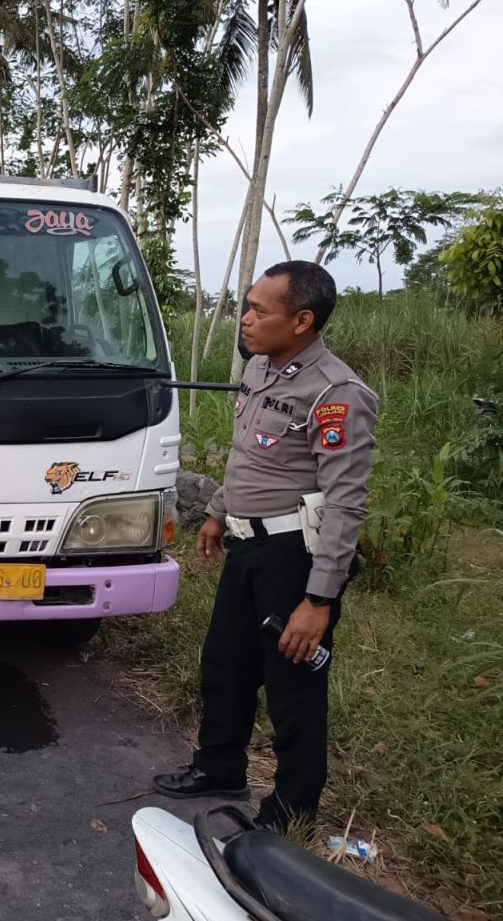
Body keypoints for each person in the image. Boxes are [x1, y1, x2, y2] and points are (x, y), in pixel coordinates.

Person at [152, 260, 379, 832]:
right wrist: (217, 512)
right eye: (245, 306)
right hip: (246, 545)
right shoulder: (261, 368)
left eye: (258, 309)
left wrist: (319, 600)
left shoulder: (336, 393)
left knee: (292, 687)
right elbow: (248, 455)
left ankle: (290, 811)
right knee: (224, 664)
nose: (245, 319)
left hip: (293, 557)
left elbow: (346, 503)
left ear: (302, 320)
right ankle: (220, 767)